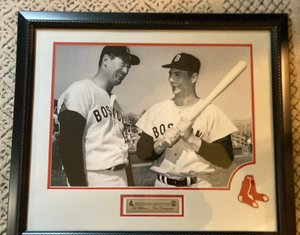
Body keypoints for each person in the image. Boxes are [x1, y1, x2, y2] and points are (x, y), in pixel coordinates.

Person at [136, 53, 237, 187]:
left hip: (199, 186)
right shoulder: (156, 110)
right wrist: (161, 144)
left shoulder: (212, 112)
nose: (171, 79)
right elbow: (142, 153)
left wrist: (191, 138)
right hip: (163, 186)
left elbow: (226, 160)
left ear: (194, 77)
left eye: (177, 74)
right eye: (170, 74)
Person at [57, 46, 140, 186]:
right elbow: (68, 145)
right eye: (123, 64)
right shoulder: (81, 90)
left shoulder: (116, 105)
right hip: (95, 177)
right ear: (106, 60)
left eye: (129, 67)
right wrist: (79, 189)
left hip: (121, 177)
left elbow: (122, 147)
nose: (126, 71)